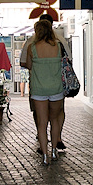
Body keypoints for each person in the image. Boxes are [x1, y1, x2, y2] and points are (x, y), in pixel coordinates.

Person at [20, 13, 66, 152]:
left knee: (41, 122)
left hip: (38, 89)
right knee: (55, 119)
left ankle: (44, 154)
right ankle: (54, 151)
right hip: (56, 88)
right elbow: (66, 63)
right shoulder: (59, 45)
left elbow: (28, 65)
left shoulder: (31, 47)